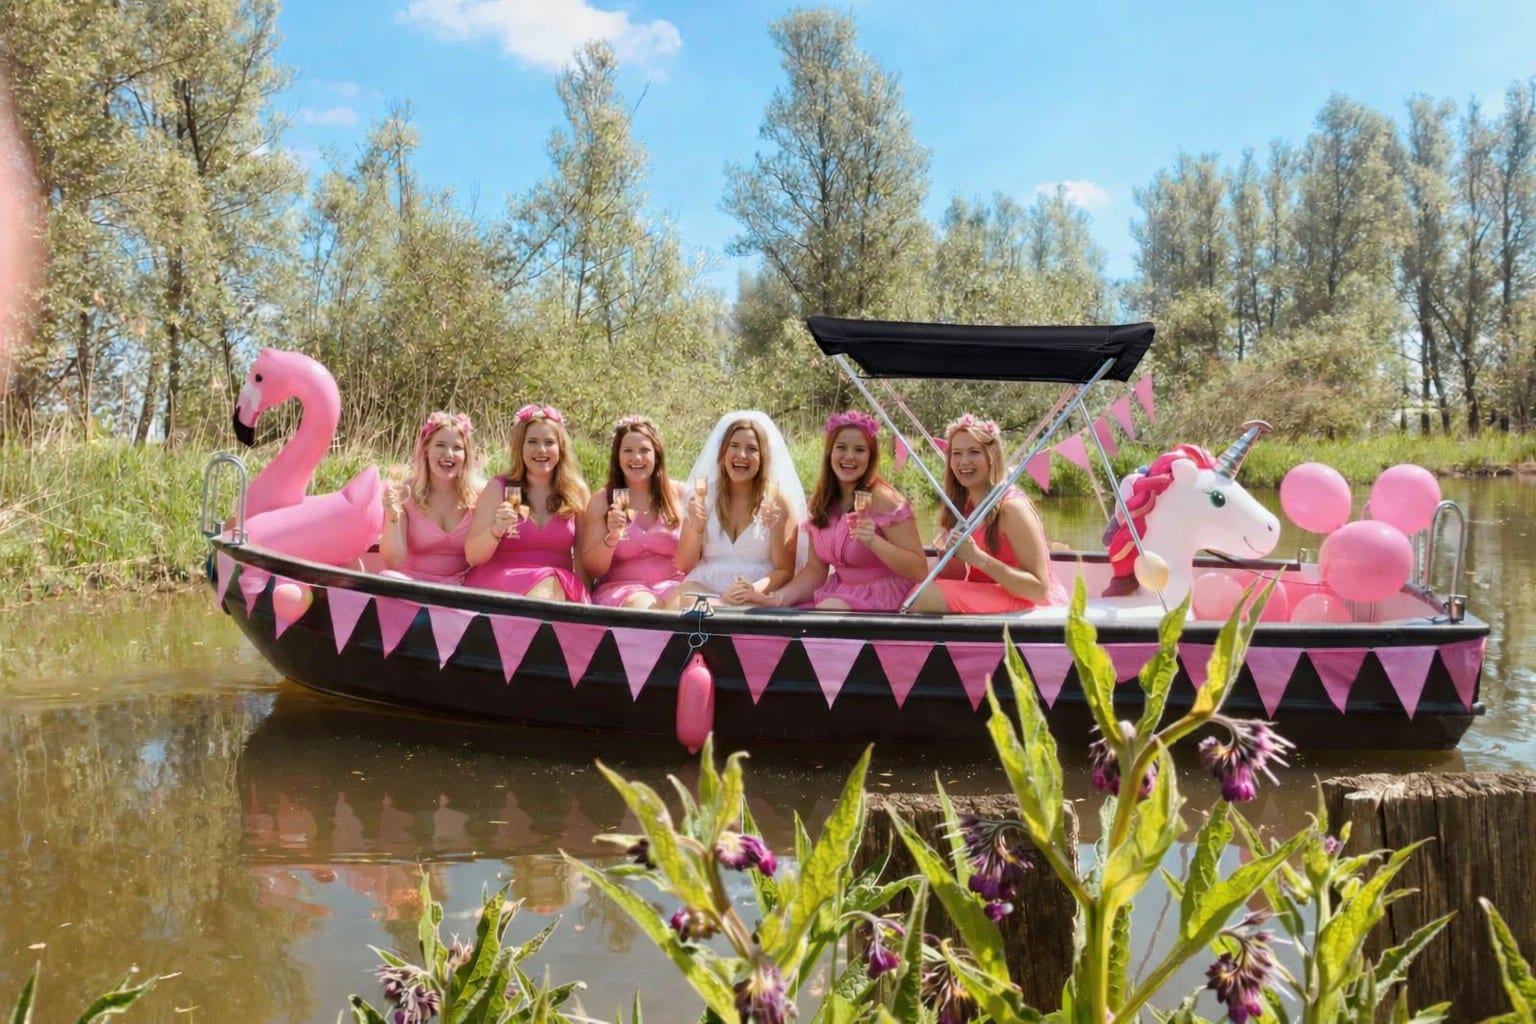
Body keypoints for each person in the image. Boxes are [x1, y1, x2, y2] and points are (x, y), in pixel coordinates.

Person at [734, 411, 925, 611]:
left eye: (859, 450)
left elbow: (919, 569)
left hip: (884, 594)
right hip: (839, 591)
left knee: (827, 610)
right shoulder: (821, 501)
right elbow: (815, 572)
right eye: (841, 447)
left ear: (870, 456)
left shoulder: (883, 500)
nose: (849, 456)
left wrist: (874, 542)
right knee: (786, 614)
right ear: (830, 452)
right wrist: (775, 599)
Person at [905, 413, 1066, 614]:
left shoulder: (1012, 508)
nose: (964, 461)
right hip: (989, 592)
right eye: (957, 453)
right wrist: (947, 552)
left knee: (923, 597)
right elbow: (954, 576)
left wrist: (978, 557)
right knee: (914, 591)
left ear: (991, 456)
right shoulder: (961, 507)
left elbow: (1038, 590)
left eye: (973, 452)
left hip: (1027, 600)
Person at [668, 411, 804, 608]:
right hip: (704, 586)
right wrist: (696, 528)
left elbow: (784, 570)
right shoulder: (702, 495)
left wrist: (752, 590)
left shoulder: (778, 503)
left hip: (753, 590)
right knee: (687, 601)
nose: (741, 455)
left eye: (751, 449)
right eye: (734, 446)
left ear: (762, 457)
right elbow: (684, 565)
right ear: (723, 453)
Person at [464, 404, 590, 602]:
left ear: (561, 447)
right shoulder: (498, 489)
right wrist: (496, 529)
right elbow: (473, 556)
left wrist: (587, 604)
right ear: (520, 447)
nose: (541, 450)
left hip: (559, 586)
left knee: (552, 585)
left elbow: (582, 559)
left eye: (549, 442)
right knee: (547, 588)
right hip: (504, 583)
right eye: (532, 442)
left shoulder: (576, 491)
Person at [580, 415, 688, 609]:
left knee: (688, 607)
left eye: (644, 450)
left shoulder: (680, 494)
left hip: (673, 586)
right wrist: (611, 537)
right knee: (646, 607)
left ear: (657, 454)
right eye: (628, 450)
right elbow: (592, 569)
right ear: (617, 457)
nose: (636, 458)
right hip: (623, 590)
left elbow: (696, 557)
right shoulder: (602, 500)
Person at [379, 411, 482, 584]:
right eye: (440, 445)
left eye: (457, 448)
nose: (448, 454)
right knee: (387, 579)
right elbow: (393, 561)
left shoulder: (480, 495)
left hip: (461, 591)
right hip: (412, 588)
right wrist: (392, 516)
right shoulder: (405, 492)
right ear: (426, 449)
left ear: (466, 455)